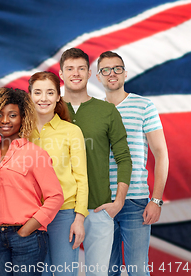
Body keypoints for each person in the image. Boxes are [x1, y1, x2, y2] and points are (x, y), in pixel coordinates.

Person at [59, 48, 132, 276]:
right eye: (70, 69)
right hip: (61, 209)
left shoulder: (107, 111)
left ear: (90, 73)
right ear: (61, 74)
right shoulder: (50, 109)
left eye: (81, 68)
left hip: (99, 207)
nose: (76, 73)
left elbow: (123, 158)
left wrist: (118, 202)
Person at [0, 87, 64, 276]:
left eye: (12, 115)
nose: (5, 120)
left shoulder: (35, 153)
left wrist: (28, 229)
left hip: (28, 237)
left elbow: (55, 196)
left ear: (23, 118)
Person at [95, 51, 169, 276]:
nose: (112, 74)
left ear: (125, 73)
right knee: (108, 271)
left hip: (136, 201)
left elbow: (161, 153)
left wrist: (156, 200)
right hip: (101, 204)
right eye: (105, 70)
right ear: (98, 77)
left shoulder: (144, 106)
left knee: (138, 271)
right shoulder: (93, 111)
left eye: (117, 68)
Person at [28, 72, 88, 276]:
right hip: (31, 216)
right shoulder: (21, 132)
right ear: (29, 96)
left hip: (64, 215)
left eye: (49, 92)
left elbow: (81, 177)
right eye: (37, 92)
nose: (43, 98)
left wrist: (79, 219)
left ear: (58, 97)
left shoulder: (72, 131)